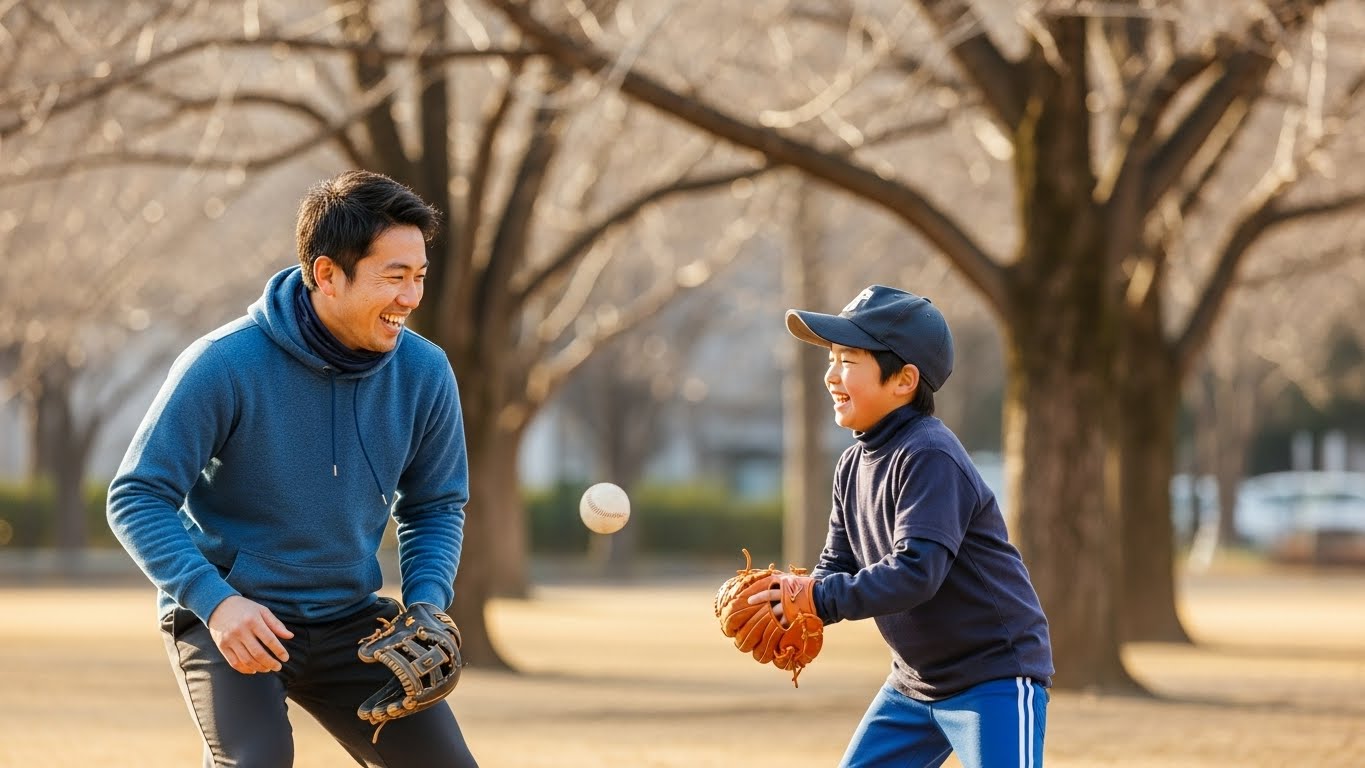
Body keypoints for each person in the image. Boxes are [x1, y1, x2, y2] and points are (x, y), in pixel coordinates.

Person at [107, 170, 479, 767]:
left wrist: (428, 604)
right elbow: (137, 496)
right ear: (327, 274)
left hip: (353, 622)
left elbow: (434, 504)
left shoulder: (425, 372)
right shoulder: (223, 365)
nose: (410, 298)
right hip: (235, 616)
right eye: (393, 277)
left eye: (419, 277)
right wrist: (216, 602)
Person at [758, 285, 1053, 768]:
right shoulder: (853, 464)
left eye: (849, 360)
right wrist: (795, 601)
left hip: (993, 675)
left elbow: (917, 572)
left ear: (904, 380)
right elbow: (837, 563)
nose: (832, 375)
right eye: (831, 359)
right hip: (915, 684)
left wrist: (817, 599)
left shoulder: (930, 455)